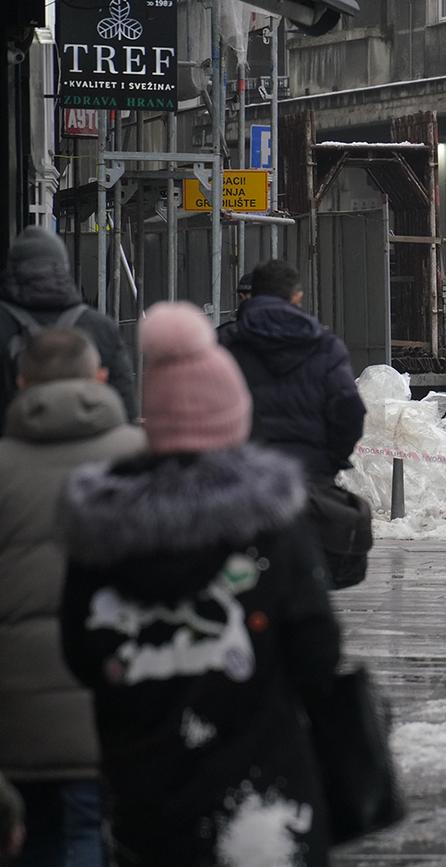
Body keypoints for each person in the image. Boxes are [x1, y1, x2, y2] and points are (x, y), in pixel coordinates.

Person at [58, 302, 340, 866]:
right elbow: (317, 651)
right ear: (233, 418)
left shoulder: (103, 533)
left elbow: (80, 651)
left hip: (144, 801)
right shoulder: (271, 527)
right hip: (263, 804)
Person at [0, 329, 145, 867]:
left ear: (21, 383)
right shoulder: (142, 459)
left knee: (33, 840)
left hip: (15, 721)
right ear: (101, 377)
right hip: (119, 708)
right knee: (95, 835)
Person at [219, 259, 365, 482]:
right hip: (308, 476)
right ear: (297, 296)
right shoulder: (326, 346)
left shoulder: (224, 343)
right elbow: (349, 411)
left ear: (250, 294)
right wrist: (330, 461)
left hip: (242, 478)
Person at [0, 226, 136, 433]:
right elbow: (126, 408)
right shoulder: (100, 327)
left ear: (11, 268)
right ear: (64, 267)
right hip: (90, 455)